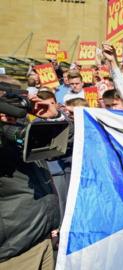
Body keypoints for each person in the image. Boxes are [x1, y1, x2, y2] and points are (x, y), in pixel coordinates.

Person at [0, 78, 60, 270]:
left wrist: (53, 117)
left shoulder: (23, 130)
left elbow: (66, 143)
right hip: (14, 246)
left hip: (41, 235)